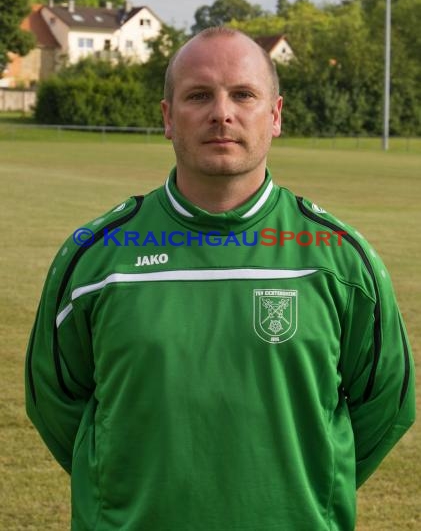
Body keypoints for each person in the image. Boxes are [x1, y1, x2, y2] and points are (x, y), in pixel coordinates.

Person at [26, 27, 415, 531]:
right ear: (168, 118)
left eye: (243, 95)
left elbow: (385, 403)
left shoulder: (340, 258)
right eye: (198, 95)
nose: (222, 113)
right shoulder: (95, 255)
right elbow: (54, 400)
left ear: (275, 116)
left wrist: (304, 485)